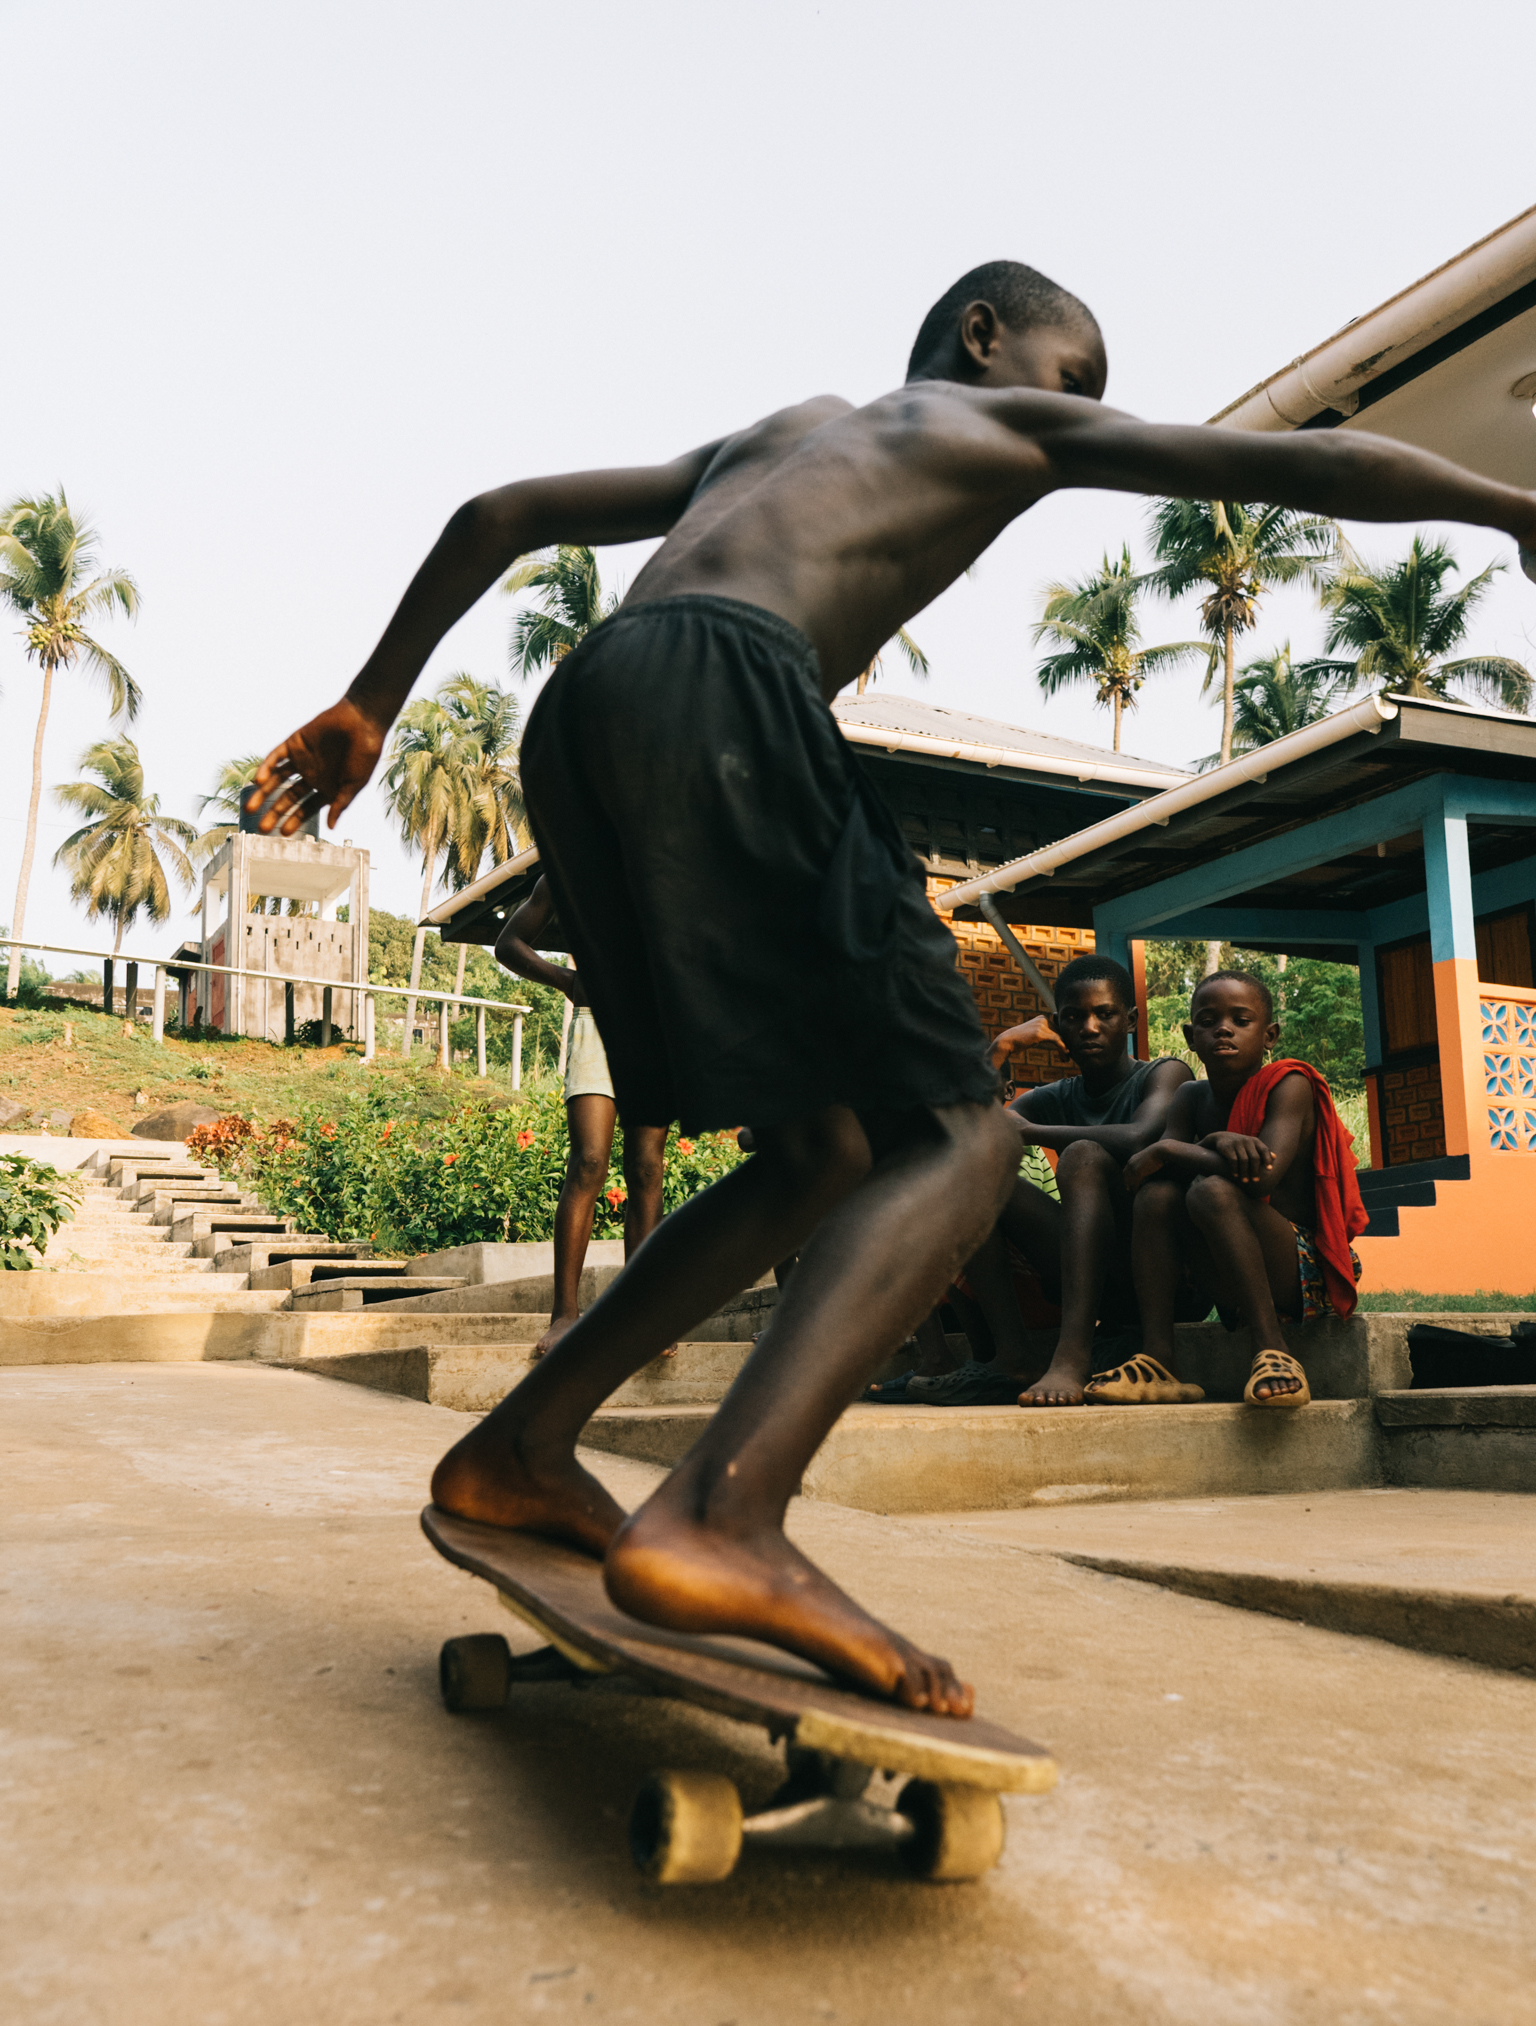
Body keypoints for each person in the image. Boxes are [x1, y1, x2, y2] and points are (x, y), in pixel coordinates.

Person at [253, 257, 1536, 1715]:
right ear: (981, 336)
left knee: (822, 1151)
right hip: (736, 689)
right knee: (962, 1136)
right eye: (1074, 379)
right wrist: (1512, 509)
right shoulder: (989, 427)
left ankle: (523, 1448)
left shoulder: (780, 429)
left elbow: (501, 517)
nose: (1082, 419)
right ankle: (724, 1516)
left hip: (592, 710)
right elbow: (1299, 465)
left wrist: (375, 699)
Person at [901, 953, 1193, 1406]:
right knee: (974, 1179)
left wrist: (1031, 1132)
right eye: (1075, 1017)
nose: (1090, 1028)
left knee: (1083, 1155)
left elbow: (1140, 1136)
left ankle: (1070, 1357)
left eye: (1105, 1014)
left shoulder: (1165, 1073)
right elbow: (967, 1141)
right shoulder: (1056, 1096)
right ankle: (1012, 1356)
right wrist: (999, 1049)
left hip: (1160, 1272)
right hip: (1083, 1269)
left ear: (1131, 1020)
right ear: (1058, 1024)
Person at [1085, 971, 1367, 1409]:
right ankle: (1159, 1359)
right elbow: (1160, 1175)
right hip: (1225, 1261)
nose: (1223, 1029)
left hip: (1302, 1272)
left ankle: (1273, 1349)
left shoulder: (1288, 1086)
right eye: (1208, 1020)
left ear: (1269, 1034)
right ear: (1189, 1035)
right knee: (1159, 1197)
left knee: (1210, 1191)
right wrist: (1207, 1143)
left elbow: (1262, 1177)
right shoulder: (1190, 1099)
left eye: (1241, 1020)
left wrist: (1182, 1146)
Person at [495, 873, 671, 1357]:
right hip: (598, 1023)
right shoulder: (571, 867)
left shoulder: (672, 859)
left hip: (658, 1030)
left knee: (646, 1167)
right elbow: (508, 944)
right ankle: (565, 1314)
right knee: (589, 1162)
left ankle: (640, 1315)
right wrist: (568, 980)